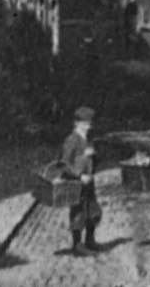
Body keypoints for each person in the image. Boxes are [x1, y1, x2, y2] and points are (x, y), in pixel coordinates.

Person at [59, 105, 102, 256]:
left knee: (93, 210)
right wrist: (78, 176)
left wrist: (94, 155)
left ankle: (90, 240)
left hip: (89, 181)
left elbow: (95, 161)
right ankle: (77, 244)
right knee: (78, 212)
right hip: (77, 183)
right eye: (85, 123)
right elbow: (64, 164)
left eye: (90, 123)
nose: (89, 126)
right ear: (77, 123)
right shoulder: (72, 140)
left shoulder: (88, 139)